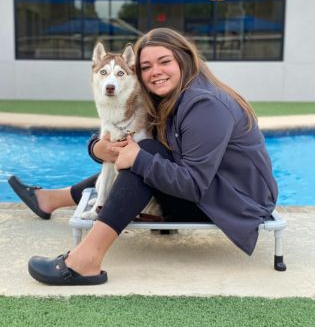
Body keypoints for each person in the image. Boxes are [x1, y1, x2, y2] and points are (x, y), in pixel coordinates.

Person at [9, 27, 278, 286]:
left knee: (145, 154)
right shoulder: (171, 94)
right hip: (212, 190)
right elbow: (122, 128)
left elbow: (194, 183)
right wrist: (97, 148)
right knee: (143, 152)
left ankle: (85, 260)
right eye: (146, 67)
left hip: (234, 202)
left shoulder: (206, 105)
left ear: (183, 59)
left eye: (164, 61)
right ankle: (51, 200)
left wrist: (138, 158)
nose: (155, 72)